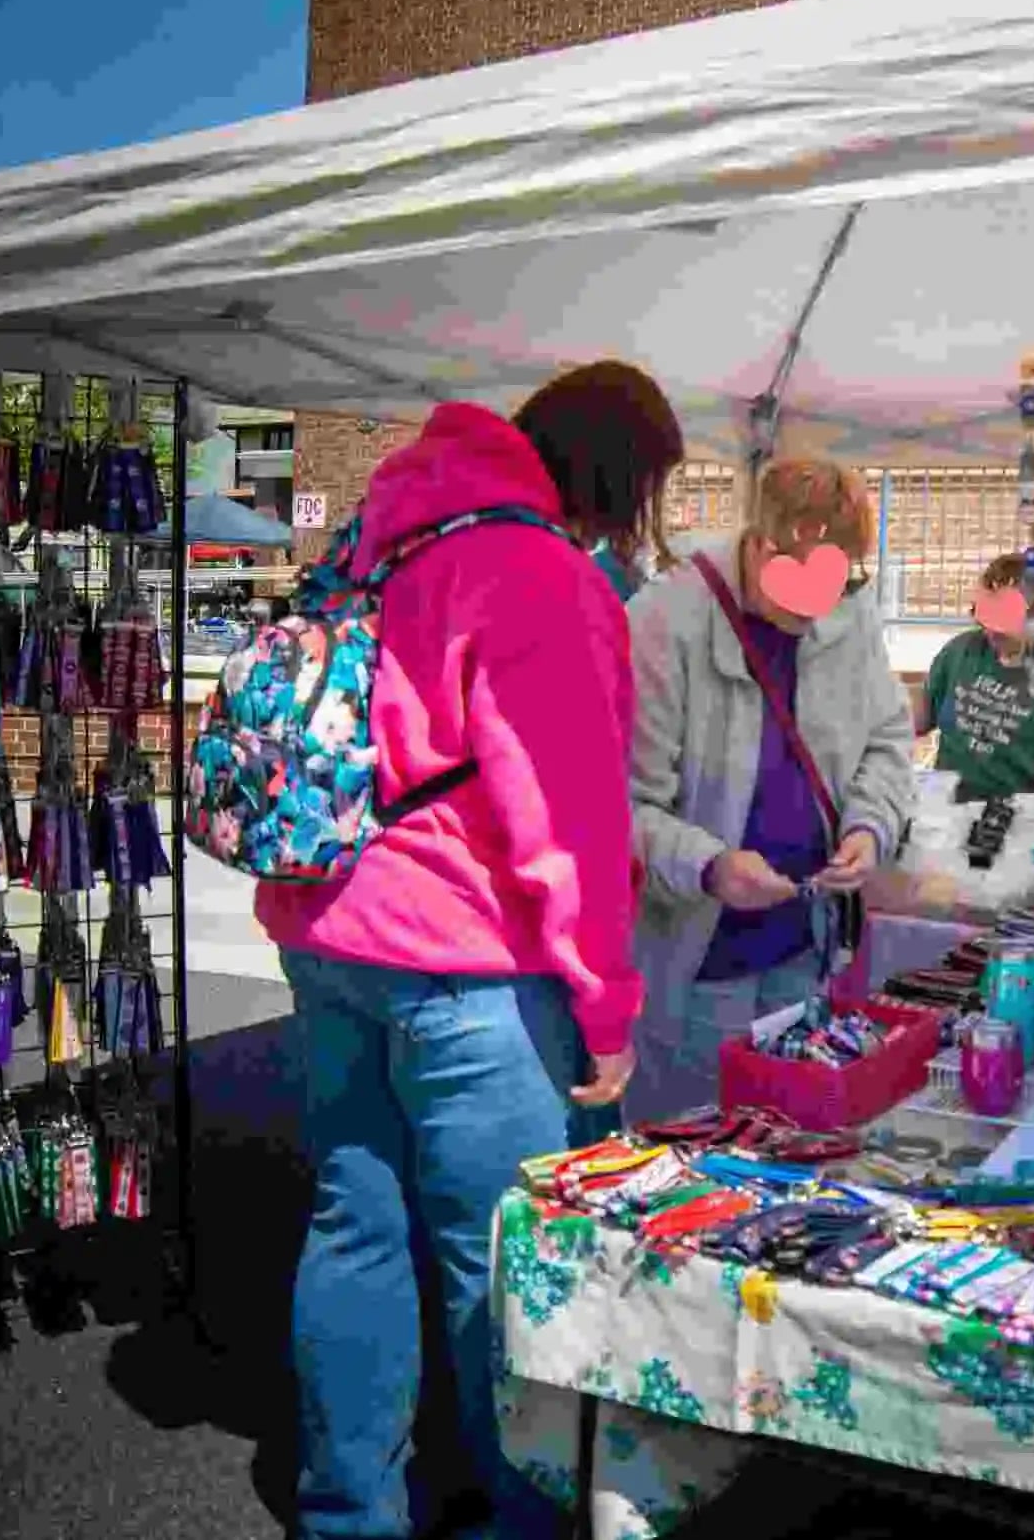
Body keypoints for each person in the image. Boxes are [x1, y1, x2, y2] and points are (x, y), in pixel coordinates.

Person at [254, 362, 684, 1540]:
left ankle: (348, 1512)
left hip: (332, 925)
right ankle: (519, 1517)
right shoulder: (538, 570)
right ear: (619, 476)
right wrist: (607, 1009)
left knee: (356, 1227)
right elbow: (572, 823)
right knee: (504, 1262)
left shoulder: (381, 531)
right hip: (467, 960)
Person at [622, 457, 915, 1123]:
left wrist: (869, 825)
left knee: (800, 1153)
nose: (817, 606)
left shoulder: (849, 614)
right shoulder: (663, 623)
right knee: (691, 1169)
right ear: (757, 544)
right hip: (696, 970)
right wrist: (710, 864)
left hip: (804, 954)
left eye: (837, 581)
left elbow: (888, 741)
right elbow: (622, 808)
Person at [914, 553, 1034, 802]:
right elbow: (916, 720)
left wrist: (1026, 810)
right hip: (948, 809)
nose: (992, 630)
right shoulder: (960, 652)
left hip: (1018, 818)